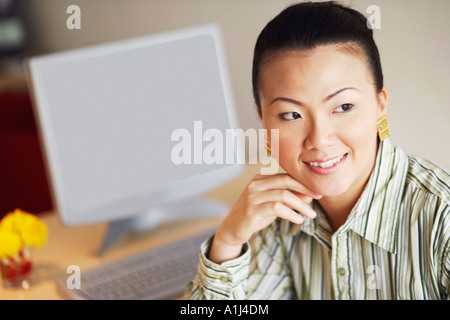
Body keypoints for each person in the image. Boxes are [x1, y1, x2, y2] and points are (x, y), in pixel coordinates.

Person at [185, 1, 450, 299]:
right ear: (264, 120)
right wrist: (229, 240)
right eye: (291, 115)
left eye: (344, 107)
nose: (320, 139)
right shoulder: (275, 219)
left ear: (380, 105)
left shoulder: (443, 220)